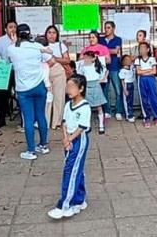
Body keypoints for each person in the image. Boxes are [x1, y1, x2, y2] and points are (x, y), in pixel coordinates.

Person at [47, 74, 91, 220]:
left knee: (70, 171)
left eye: (72, 87)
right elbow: (64, 122)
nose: (68, 89)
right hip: (69, 139)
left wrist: (70, 139)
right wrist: (65, 138)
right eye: (67, 86)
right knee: (75, 169)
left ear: (81, 88)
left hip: (79, 139)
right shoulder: (68, 105)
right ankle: (79, 199)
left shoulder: (85, 107)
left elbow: (82, 127)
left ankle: (64, 205)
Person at [9, 24, 55, 160]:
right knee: (41, 115)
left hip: (23, 89)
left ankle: (31, 150)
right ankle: (43, 145)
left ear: (16, 34)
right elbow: (51, 59)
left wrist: (13, 42)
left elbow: (8, 60)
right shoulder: (37, 47)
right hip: (40, 86)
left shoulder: (11, 48)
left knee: (28, 119)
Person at [134, 43, 157, 128]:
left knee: (154, 98)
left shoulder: (152, 59)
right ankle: (146, 118)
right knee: (144, 99)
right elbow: (138, 72)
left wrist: (144, 71)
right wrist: (148, 70)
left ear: (148, 49)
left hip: (150, 79)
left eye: (143, 48)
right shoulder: (138, 60)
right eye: (140, 48)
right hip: (142, 80)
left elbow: (154, 71)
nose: (141, 50)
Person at [45, 25, 71, 130]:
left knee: (59, 97)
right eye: (49, 32)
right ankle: (45, 121)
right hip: (45, 73)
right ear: (46, 34)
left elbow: (67, 60)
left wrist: (55, 58)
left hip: (59, 73)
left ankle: (57, 122)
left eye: (54, 33)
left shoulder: (60, 45)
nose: (51, 35)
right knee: (47, 98)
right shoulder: (41, 46)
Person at [77, 51, 108, 134]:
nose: (86, 59)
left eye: (88, 57)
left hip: (96, 86)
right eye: (85, 57)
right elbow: (79, 75)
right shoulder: (82, 67)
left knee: (99, 106)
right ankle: (87, 125)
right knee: (87, 107)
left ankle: (101, 125)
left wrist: (102, 80)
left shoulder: (97, 66)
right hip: (87, 86)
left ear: (93, 58)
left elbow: (105, 71)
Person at [99, 21, 124, 120]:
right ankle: (107, 111)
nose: (106, 30)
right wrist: (108, 50)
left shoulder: (118, 39)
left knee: (118, 90)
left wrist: (103, 50)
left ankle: (118, 111)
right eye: (105, 28)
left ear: (113, 28)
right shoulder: (101, 39)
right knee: (105, 90)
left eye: (108, 27)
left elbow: (116, 51)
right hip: (104, 68)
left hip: (114, 67)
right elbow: (110, 50)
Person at [118, 55, 136, 122]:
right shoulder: (122, 70)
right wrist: (125, 90)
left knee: (131, 100)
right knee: (126, 101)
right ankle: (128, 115)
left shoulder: (131, 67)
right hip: (126, 85)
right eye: (126, 60)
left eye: (129, 60)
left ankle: (131, 113)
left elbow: (134, 59)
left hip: (131, 84)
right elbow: (122, 81)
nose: (128, 61)